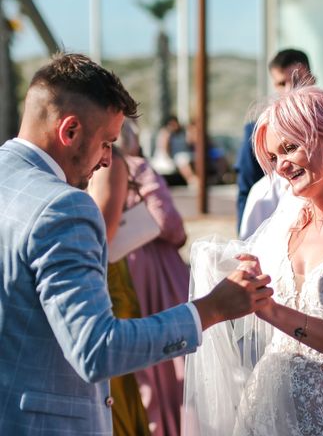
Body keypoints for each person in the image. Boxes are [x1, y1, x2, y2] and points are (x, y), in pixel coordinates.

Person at [0, 52, 272, 435]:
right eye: (107, 142)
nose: (109, 160)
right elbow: (97, 349)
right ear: (71, 131)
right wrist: (209, 309)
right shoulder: (63, 208)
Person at [184, 85, 323, 435]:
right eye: (273, 158)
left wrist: (272, 310)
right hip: (266, 411)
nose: (281, 166)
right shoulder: (288, 223)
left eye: (290, 147)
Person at [118, 120, 191, 436]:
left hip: (120, 268)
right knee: (169, 352)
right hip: (155, 271)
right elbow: (170, 223)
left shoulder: (91, 171)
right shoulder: (138, 168)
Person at [88, 146, 151, 436]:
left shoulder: (108, 162)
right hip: (104, 279)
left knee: (114, 391)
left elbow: (102, 232)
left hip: (108, 285)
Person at [236, 48, 315, 237]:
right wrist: (245, 240)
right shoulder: (258, 129)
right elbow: (246, 186)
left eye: (296, 80)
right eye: (281, 83)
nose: (289, 89)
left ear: (311, 78)